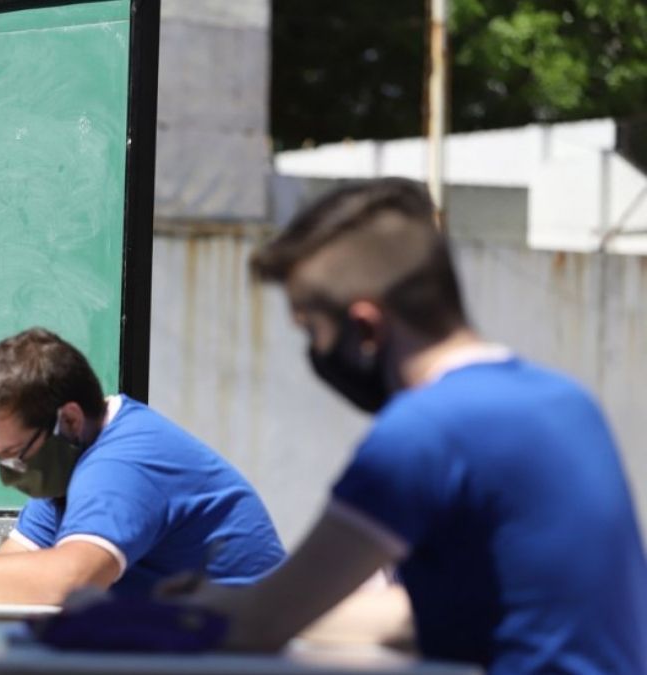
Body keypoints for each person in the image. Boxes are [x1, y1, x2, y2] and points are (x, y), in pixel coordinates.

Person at [172, 178, 647, 673]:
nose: (314, 353)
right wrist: (224, 599)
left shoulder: (424, 432)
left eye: (313, 330)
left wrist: (176, 608)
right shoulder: (566, 402)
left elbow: (257, 630)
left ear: (366, 327)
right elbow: (409, 617)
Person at [0, 327, 285, 604]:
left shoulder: (122, 463)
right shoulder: (65, 466)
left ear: (69, 420)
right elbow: (10, 577)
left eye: (16, 454)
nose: (10, 474)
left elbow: (68, 583)